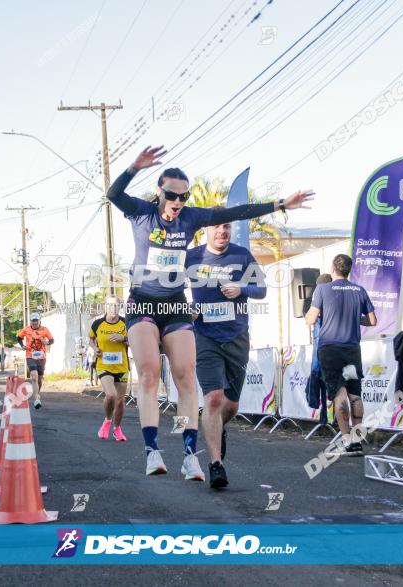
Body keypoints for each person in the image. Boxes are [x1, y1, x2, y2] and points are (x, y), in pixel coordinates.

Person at [108, 145, 313, 478]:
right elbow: (113, 193)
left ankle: (190, 455)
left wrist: (280, 204)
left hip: (175, 303)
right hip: (143, 301)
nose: (178, 203)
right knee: (147, 373)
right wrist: (134, 166)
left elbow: (236, 212)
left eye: (184, 197)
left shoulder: (192, 217)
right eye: (172, 196)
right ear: (160, 192)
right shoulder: (141, 212)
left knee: (186, 377)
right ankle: (152, 451)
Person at [186, 218, 266, 489]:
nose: (222, 231)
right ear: (205, 229)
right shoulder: (192, 256)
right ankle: (215, 465)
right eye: (216, 227)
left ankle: (218, 429)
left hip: (236, 337)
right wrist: (185, 310)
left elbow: (262, 288)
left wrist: (241, 289)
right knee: (213, 398)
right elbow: (169, 289)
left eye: (227, 227)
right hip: (204, 336)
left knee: (230, 406)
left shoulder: (241, 255)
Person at [304, 254, 376, 457]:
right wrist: (355, 319)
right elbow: (372, 320)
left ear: (333, 268)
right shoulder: (359, 290)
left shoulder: (323, 289)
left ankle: (347, 441)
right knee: (354, 393)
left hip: (330, 349)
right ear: (348, 270)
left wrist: (314, 315)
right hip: (352, 349)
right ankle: (358, 439)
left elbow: (311, 319)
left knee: (339, 393)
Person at [90, 296, 130, 442]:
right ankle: (107, 421)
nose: (113, 308)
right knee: (111, 395)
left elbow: (134, 341)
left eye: (116, 306)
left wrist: (123, 339)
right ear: (105, 307)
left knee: (120, 401)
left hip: (122, 366)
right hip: (103, 365)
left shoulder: (126, 323)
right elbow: (91, 339)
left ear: (119, 307)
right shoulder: (98, 323)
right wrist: (95, 349)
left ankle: (117, 429)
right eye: (110, 305)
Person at [306, 274, 333, 414]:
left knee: (317, 372)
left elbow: (310, 318)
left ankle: (318, 405)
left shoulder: (320, 293)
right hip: (335, 343)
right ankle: (324, 414)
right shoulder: (336, 295)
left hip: (322, 341)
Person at [16, 312, 55, 409]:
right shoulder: (26, 329)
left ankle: (37, 393)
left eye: (36, 320)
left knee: (40, 379)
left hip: (41, 357)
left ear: (39, 320)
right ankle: (36, 399)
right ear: (31, 321)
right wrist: (22, 346)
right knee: (34, 376)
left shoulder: (44, 329)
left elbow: (52, 340)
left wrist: (47, 342)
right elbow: (19, 337)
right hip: (30, 355)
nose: (35, 322)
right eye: (33, 321)